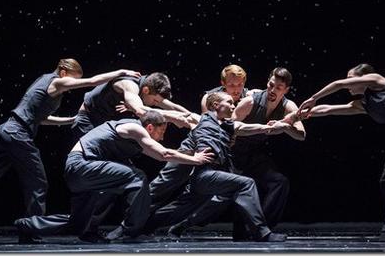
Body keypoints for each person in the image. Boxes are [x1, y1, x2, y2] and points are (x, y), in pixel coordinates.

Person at [0, 58, 140, 225]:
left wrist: (69, 120)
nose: (72, 84)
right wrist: (121, 73)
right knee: (37, 182)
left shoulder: (43, 80)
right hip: (18, 134)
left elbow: (39, 118)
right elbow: (92, 81)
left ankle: (31, 226)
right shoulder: (57, 82)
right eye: (72, 79)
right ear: (63, 73)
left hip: (5, 130)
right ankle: (32, 228)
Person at [14, 110, 214, 244]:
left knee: (78, 223)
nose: (162, 137)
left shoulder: (134, 135)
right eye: (161, 132)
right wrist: (196, 160)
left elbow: (160, 154)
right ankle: (130, 231)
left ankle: (26, 224)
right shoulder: (135, 128)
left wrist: (187, 152)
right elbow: (164, 154)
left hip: (82, 172)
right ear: (150, 127)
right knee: (137, 177)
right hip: (82, 165)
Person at [296, 63, 385, 242]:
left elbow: (338, 84)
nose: (348, 84)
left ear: (364, 78)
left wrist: (314, 97)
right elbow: (328, 109)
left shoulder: (378, 81)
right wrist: (299, 114)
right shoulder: (363, 103)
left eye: (351, 79)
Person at [144, 92, 291, 242]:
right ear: (216, 105)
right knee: (246, 184)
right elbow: (172, 114)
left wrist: (276, 126)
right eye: (229, 103)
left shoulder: (229, 126)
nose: (234, 106)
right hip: (205, 173)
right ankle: (262, 233)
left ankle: (143, 227)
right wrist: (140, 109)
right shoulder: (200, 119)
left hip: (211, 177)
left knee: (180, 208)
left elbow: (254, 128)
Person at [149, 64, 255, 212]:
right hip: (198, 146)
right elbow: (207, 130)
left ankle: (165, 224)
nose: (236, 89)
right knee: (167, 180)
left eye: (240, 84)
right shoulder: (211, 98)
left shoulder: (249, 96)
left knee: (202, 195)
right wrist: (198, 161)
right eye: (231, 85)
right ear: (223, 84)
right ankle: (134, 215)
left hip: (223, 153)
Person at [71, 71, 197, 142]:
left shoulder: (148, 89)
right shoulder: (129, 85)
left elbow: (173, 107)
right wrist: (174, 118)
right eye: (154, 101)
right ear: (146, 90)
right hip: (88, 121)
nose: (155, 104)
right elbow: (141, 111)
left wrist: (200, 119)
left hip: (104, 122)